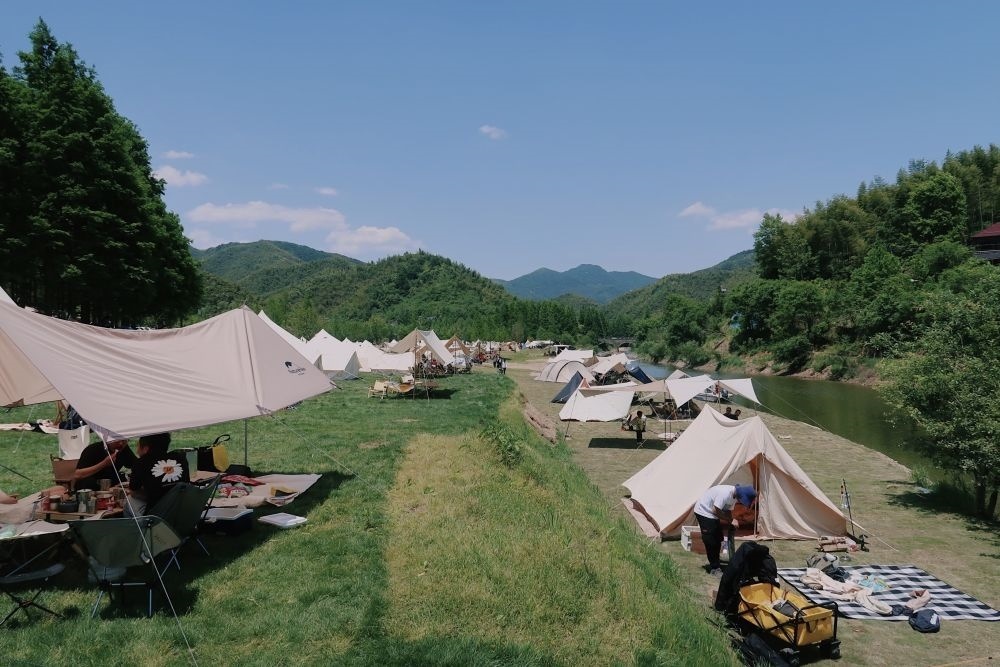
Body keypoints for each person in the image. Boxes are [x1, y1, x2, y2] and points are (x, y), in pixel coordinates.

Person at [693, 484, 757, 575]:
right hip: (703, 511)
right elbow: (715, 510)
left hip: (712, 514)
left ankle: (716, 560)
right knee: (710, 540)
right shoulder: (725, 493)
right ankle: (714, 568)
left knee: (719, 538)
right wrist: (730, 520)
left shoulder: (734, 496)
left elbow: (727, 510)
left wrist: (731, 521)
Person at [129, 432, 189, 514]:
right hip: (182, 510)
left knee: (129, 500)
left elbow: (133, 492)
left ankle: (132, 522)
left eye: (138, 446)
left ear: (145, 448)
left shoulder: (141, 463)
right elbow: (187, 483)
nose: (137, 450)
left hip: (156, 515)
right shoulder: (180, 458)